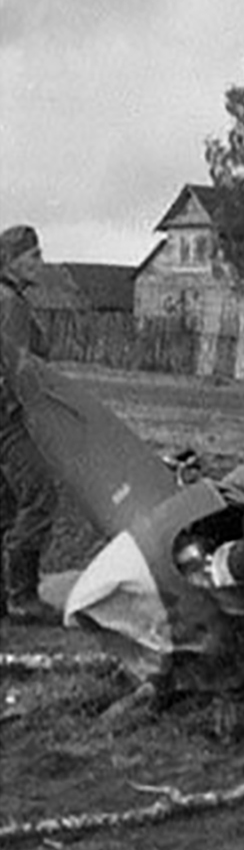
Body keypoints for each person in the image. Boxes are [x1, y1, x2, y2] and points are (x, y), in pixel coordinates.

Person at [0, 224, 63, 624]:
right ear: (10, 261)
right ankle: (22, 597)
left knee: (5, 503)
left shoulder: (10, 299)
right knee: (40, 494)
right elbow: (20, 363)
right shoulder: (11, 303)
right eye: (33, 256)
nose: (40, 262)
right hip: (7, 415)